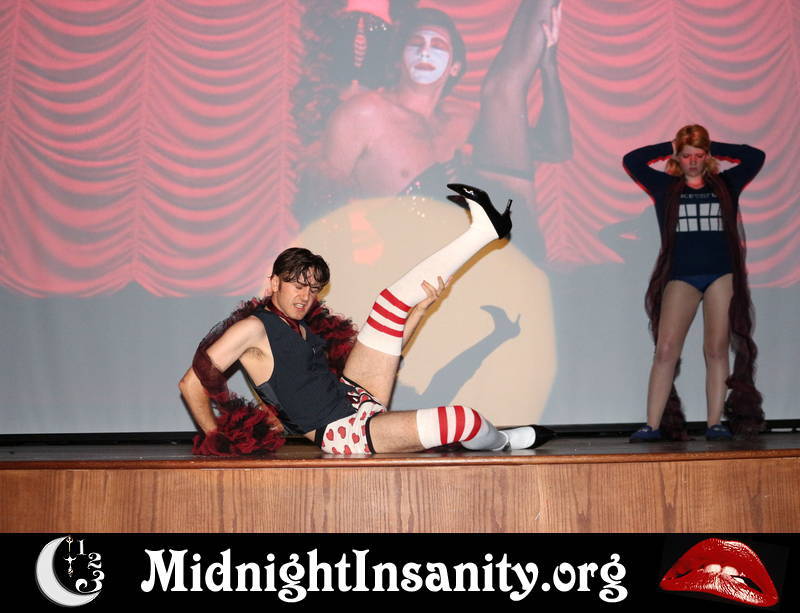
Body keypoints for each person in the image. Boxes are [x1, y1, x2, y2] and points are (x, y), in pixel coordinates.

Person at [179, 184, 555, 455]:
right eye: (296, 285)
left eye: (312, 289)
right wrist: (216, 439)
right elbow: (191, 383)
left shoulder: (300, 326)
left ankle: (483, 231)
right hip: (343, 431)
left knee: (391, 304)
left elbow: (385, 356)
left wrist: (418, 312)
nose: (305, 296)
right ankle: (503, 442)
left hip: (354, 392)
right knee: (462, 421)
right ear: (274, 282)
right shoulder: (253, 328)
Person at [297, 1, 571, 242]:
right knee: (502, 88)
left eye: (437, 45)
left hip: (477, 247)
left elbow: (553, 149)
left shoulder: (461, 118)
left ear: (455, 67)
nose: (425, 53)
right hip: (412, 260)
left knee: (502, 91)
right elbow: (316, 208)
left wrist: (548, 66)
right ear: (398, 61)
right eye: (416, 44)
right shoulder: (366, 112)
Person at [623, 125, 765, 442]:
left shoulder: (726, 184)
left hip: (721, 275)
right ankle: (652, 425)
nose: (693, 162)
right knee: (665, 350)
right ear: (678, 157)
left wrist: (711, 144)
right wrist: (673, 144)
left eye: (699, 155)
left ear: (707, 156)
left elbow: (755, 156)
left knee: (715, 349)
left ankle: (715, 423)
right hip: (681, 276)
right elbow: (632, 160)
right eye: (686, 155)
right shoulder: (665, 187)